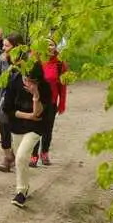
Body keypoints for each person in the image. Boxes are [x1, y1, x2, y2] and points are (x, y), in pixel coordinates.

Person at [2, 56, 50, 208]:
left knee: (22, 157)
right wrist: (27, 115)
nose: (29, 84)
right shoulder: (14, 80)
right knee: (19, 159)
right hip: (16, 125)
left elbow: (38, 114)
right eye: (27, 80)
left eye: (33, 81)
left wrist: (35, 95)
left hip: (35, 128)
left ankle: (21, 192)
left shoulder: (44, 87)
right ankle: (25, 185)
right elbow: (7, 109)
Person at [35, 38, 69, 166]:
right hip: (37, 100)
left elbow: (63, 86)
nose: (50, 47)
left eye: (52, 45)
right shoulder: (37, 62)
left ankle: (44, 153)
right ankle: (33, 155)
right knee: (35, 127)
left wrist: (62, 104)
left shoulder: (60, 64)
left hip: (52, 101)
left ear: (56, 47)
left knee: (47, 129)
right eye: (47, 44)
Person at [0, 34, 23, 172]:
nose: (3, 48)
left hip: (21, 101)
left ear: (17, 46)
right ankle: (7, 157)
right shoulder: (1, 60)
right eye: (3, 45)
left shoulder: (26, 61)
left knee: (18, 130)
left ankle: (20, 156)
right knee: (4, 129)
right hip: (5, 99)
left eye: (7, 45)